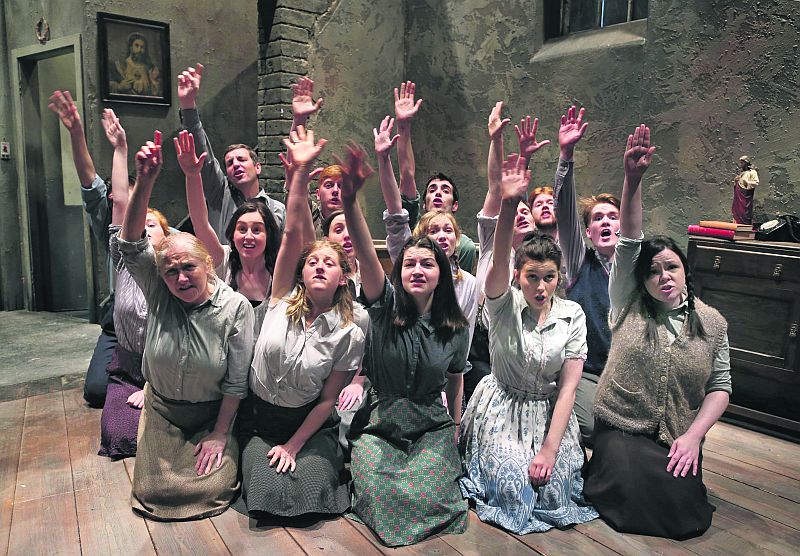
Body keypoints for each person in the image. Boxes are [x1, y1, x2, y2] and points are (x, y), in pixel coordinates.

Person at [584, 125, 732, 540]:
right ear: (641, 280)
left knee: (683, 509)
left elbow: (720, 387)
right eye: (653, 271)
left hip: (677, 432)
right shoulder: (627, 302)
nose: (662, 277)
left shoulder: (714, 323)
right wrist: (632, 181)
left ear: (686, 272)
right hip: (623, 426)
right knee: (630, 499)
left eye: (671, 267)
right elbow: (629, 242)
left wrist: (692, 437)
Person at [119, 131, 255, 521]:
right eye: (172, 271)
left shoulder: (235, 308)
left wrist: (219, 433)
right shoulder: (159, 290)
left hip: (212, 415)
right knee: (153, 489)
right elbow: (131, 244)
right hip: (163, 410)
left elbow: (235, 382)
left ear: (208, 265)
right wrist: (145, 181)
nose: (180, 278)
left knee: (213, 487)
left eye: (188, 267)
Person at [459, 154, 598, 534]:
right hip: (503, 406)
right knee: (515, 486)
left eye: (548, 277)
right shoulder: (503, 302)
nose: (540, 286)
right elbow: (499, 254)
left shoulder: (572, 315)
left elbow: (569, 387)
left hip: (548, 410)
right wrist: (508, 203)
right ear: (518, 275)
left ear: (558, 277)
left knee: (555, 487)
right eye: (532, 276)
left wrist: (551, 449)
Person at [341, 143, 469, 547]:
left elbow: (455, 380)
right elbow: (364, 252)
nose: (417, 269)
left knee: (432, 492)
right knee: (383, 495)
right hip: (381, 424)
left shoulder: (455, 327)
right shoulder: (384, 305)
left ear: (441, 274)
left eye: (427, 264)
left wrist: (456, 426)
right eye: (410, 263)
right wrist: (350, 201)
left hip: (431, 425)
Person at [236, 126, 367, 518]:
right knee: (262, 495)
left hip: (308, 423)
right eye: (312, 261)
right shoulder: (279, 299)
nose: (319, 266)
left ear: (343, 276)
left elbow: (328, 400)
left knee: (310, 493)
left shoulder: (350, 330)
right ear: (301, 271)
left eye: (329, 262)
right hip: (261, 420)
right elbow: (293, 230)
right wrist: (299, 175)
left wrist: (294, 444)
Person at [373, 114, 478, 401]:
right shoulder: (411, 251)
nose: (441, 236)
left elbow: (461, 332)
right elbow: (398, 204)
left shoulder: (467, 270)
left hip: (444, 359)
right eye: (434, 230)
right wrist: (388, 152)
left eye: (448, 231)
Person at [97, 109, 169, 459]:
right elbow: (123, 206)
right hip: (127, 368)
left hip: (167, 372)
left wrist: (154, 388)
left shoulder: (174, 271)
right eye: (142, 224)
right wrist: (120, 149)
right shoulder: (124, 259)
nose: (145, 227)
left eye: (153, 225)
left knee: (160, 438)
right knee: (120, 437)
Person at [468, 102, 549, 405]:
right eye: (517, 211)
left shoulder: (539, 257)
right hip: (484, 344)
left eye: (528, 211)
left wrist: (526, 158)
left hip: (521, 342)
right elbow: (497, 188)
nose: (523, 213)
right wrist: (496, 140)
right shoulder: (492, 242)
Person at [553, 105, 621, 447]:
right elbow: (564, 210)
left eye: (612, 216)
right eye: (598, 218)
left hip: (626, 372)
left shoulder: (636, 268)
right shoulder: (580, 260)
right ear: (589, 231)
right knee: (594, 429)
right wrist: (566, 155)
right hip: (588, 371)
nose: (605, 222)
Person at [48, 90, 116, 408]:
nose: (117, 202)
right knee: (96, 390)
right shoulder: (111, 233)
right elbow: (91, 182)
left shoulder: (158, 231)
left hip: (155, 323)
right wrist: (76, 133)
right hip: (118, 324)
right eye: (113, 199)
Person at [175, 130, 281, 334]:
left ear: (269, 235)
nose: (248, 236)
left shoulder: (279, 270)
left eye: (257, 229)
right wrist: (192, 175)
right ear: (232, 235)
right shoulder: (223, 260)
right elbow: (200, 221)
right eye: (242, 229)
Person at [178, 63, 286, 243]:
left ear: (257, 167)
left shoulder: (277, 210)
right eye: (229, 163)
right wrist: (188, 106)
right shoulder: (220, 194)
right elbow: (206, 159)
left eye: (241, 159)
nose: (235, 164)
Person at [393, 81, 477, 273]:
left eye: (445, 190)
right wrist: (403, 126)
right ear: (423, 204)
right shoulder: (411, 229)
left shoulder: (463, 246)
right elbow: (407, 175)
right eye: (432, 190)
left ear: (455, 205)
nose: (438, 193)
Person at [732, 155, 759, 225]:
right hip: (739, 196)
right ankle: (738, 223)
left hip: (746, 196)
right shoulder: (742, 173)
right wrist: (736, 182)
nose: (741, 165)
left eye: (742, 163)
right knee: (738, 210)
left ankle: (745, 225)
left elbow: (756, 183)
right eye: (740, 163)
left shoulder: (752, 172)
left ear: (746, 163)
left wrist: (747, 182)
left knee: (745, 212)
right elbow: (739, 184)